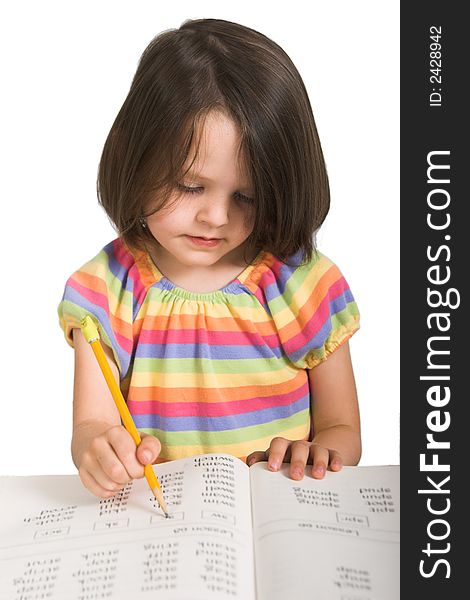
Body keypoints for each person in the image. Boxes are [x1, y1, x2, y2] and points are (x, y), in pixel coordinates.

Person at [58, 18, 361, 500]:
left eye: (247, 196)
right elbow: (91, 425)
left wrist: (322, 452)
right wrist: (98, 448)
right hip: (165, 527)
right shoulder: (109, 288)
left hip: (279, 517)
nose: (216, 217)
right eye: (190, 186)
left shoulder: (299, 281)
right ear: (132, 157)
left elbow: (342, 428)